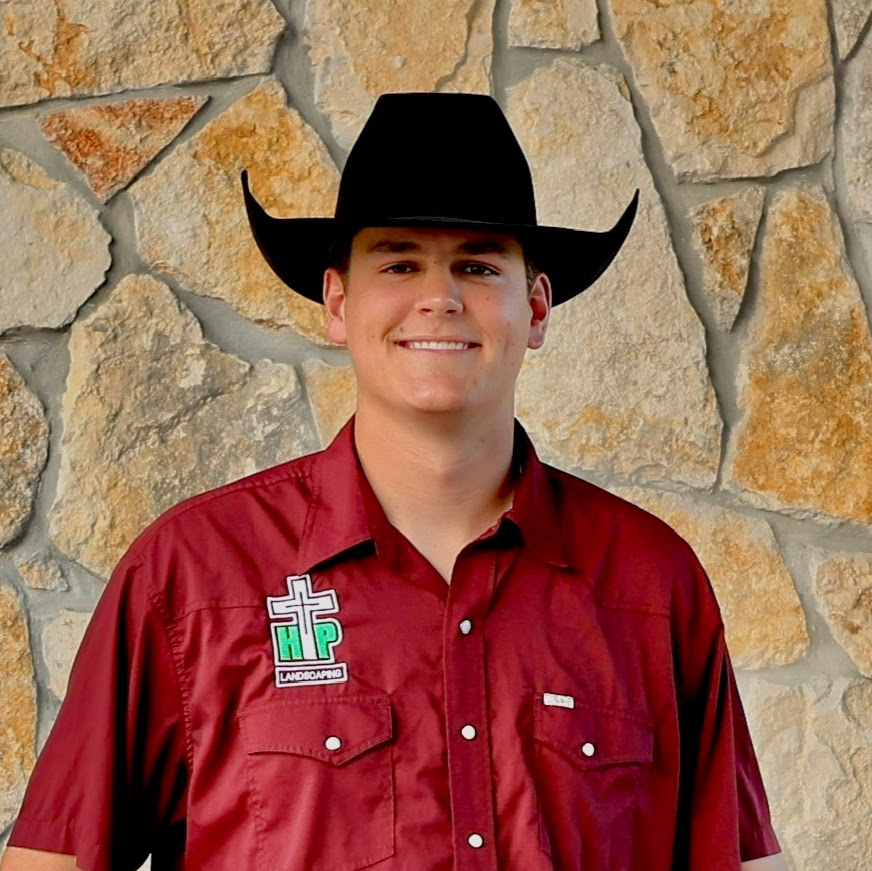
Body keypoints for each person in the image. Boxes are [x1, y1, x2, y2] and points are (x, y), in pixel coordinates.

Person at [1, 93, 787, 870]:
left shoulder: (652, 588)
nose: (439, 298)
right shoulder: (193, 578)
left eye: (477, 265)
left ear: (537, 308)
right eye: (400, 262)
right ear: (338, 302)